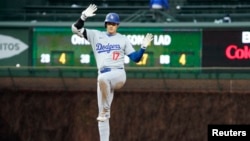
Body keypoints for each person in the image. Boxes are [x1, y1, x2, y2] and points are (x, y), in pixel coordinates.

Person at [71, 4, 153, 141]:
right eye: (109, 23)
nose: (111, 26)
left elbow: (136, 58)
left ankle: (106, 108)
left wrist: (143, 47)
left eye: (114, 24)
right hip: (103, 78)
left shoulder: (123, 39)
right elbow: (75, 29)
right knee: (102, 116)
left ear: (117, 26)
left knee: (102, 80)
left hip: (118, 75)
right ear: (105, 24)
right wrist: (83, 16)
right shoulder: (95, 35)